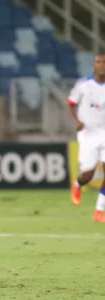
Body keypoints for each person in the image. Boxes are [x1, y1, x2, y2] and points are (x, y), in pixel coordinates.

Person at [68, 53, 105, 222]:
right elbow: (70, 103)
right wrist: (76, 121)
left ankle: (99, 210)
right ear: (94, 64)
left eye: (104, 62)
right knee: (88, 174)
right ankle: (78, 185)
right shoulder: (83, 85)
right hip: (88, 134)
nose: (101, 65)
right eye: (98, 61)